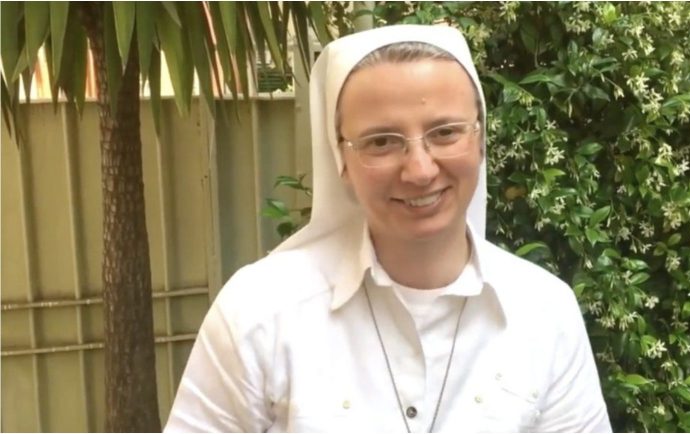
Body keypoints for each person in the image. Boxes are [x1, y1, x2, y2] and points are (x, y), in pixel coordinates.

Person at [165, 24, 612, 433]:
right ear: (340, 159)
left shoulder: (544, 313)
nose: (420, 170)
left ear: (479, 141)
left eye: (445, 132)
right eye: (381, 142)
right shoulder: (258, 314)